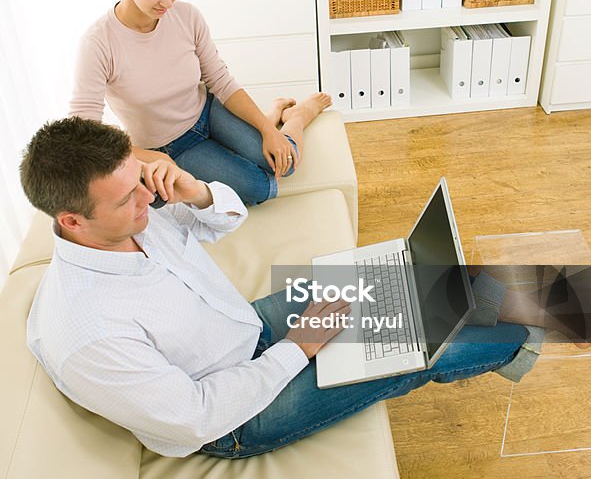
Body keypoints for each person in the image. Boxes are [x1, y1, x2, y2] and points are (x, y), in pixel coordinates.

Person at [21, 117, 550, 461]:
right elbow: (195, 416)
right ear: (72, 220)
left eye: (141, 178)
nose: (146, 197)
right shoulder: (88, 334)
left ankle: (537, 304)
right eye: (127, 197)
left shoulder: (131, 211)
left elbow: (222, 220)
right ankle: (541, 330)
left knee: (414, 274)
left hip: (247, 329)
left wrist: (197, 191)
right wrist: (301, 345)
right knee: (417, 351)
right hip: (236, 417)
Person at [69, 0, 331, 205]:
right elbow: (84, 130)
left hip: (208, 112)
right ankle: (274, 116)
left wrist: (268, 131)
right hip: (168, 147)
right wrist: (143, 156)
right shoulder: (98, 43)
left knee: (287, 161)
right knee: (259, 187)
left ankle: (297, 116)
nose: (167, 3)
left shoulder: (187, 16)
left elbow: (220, 80)